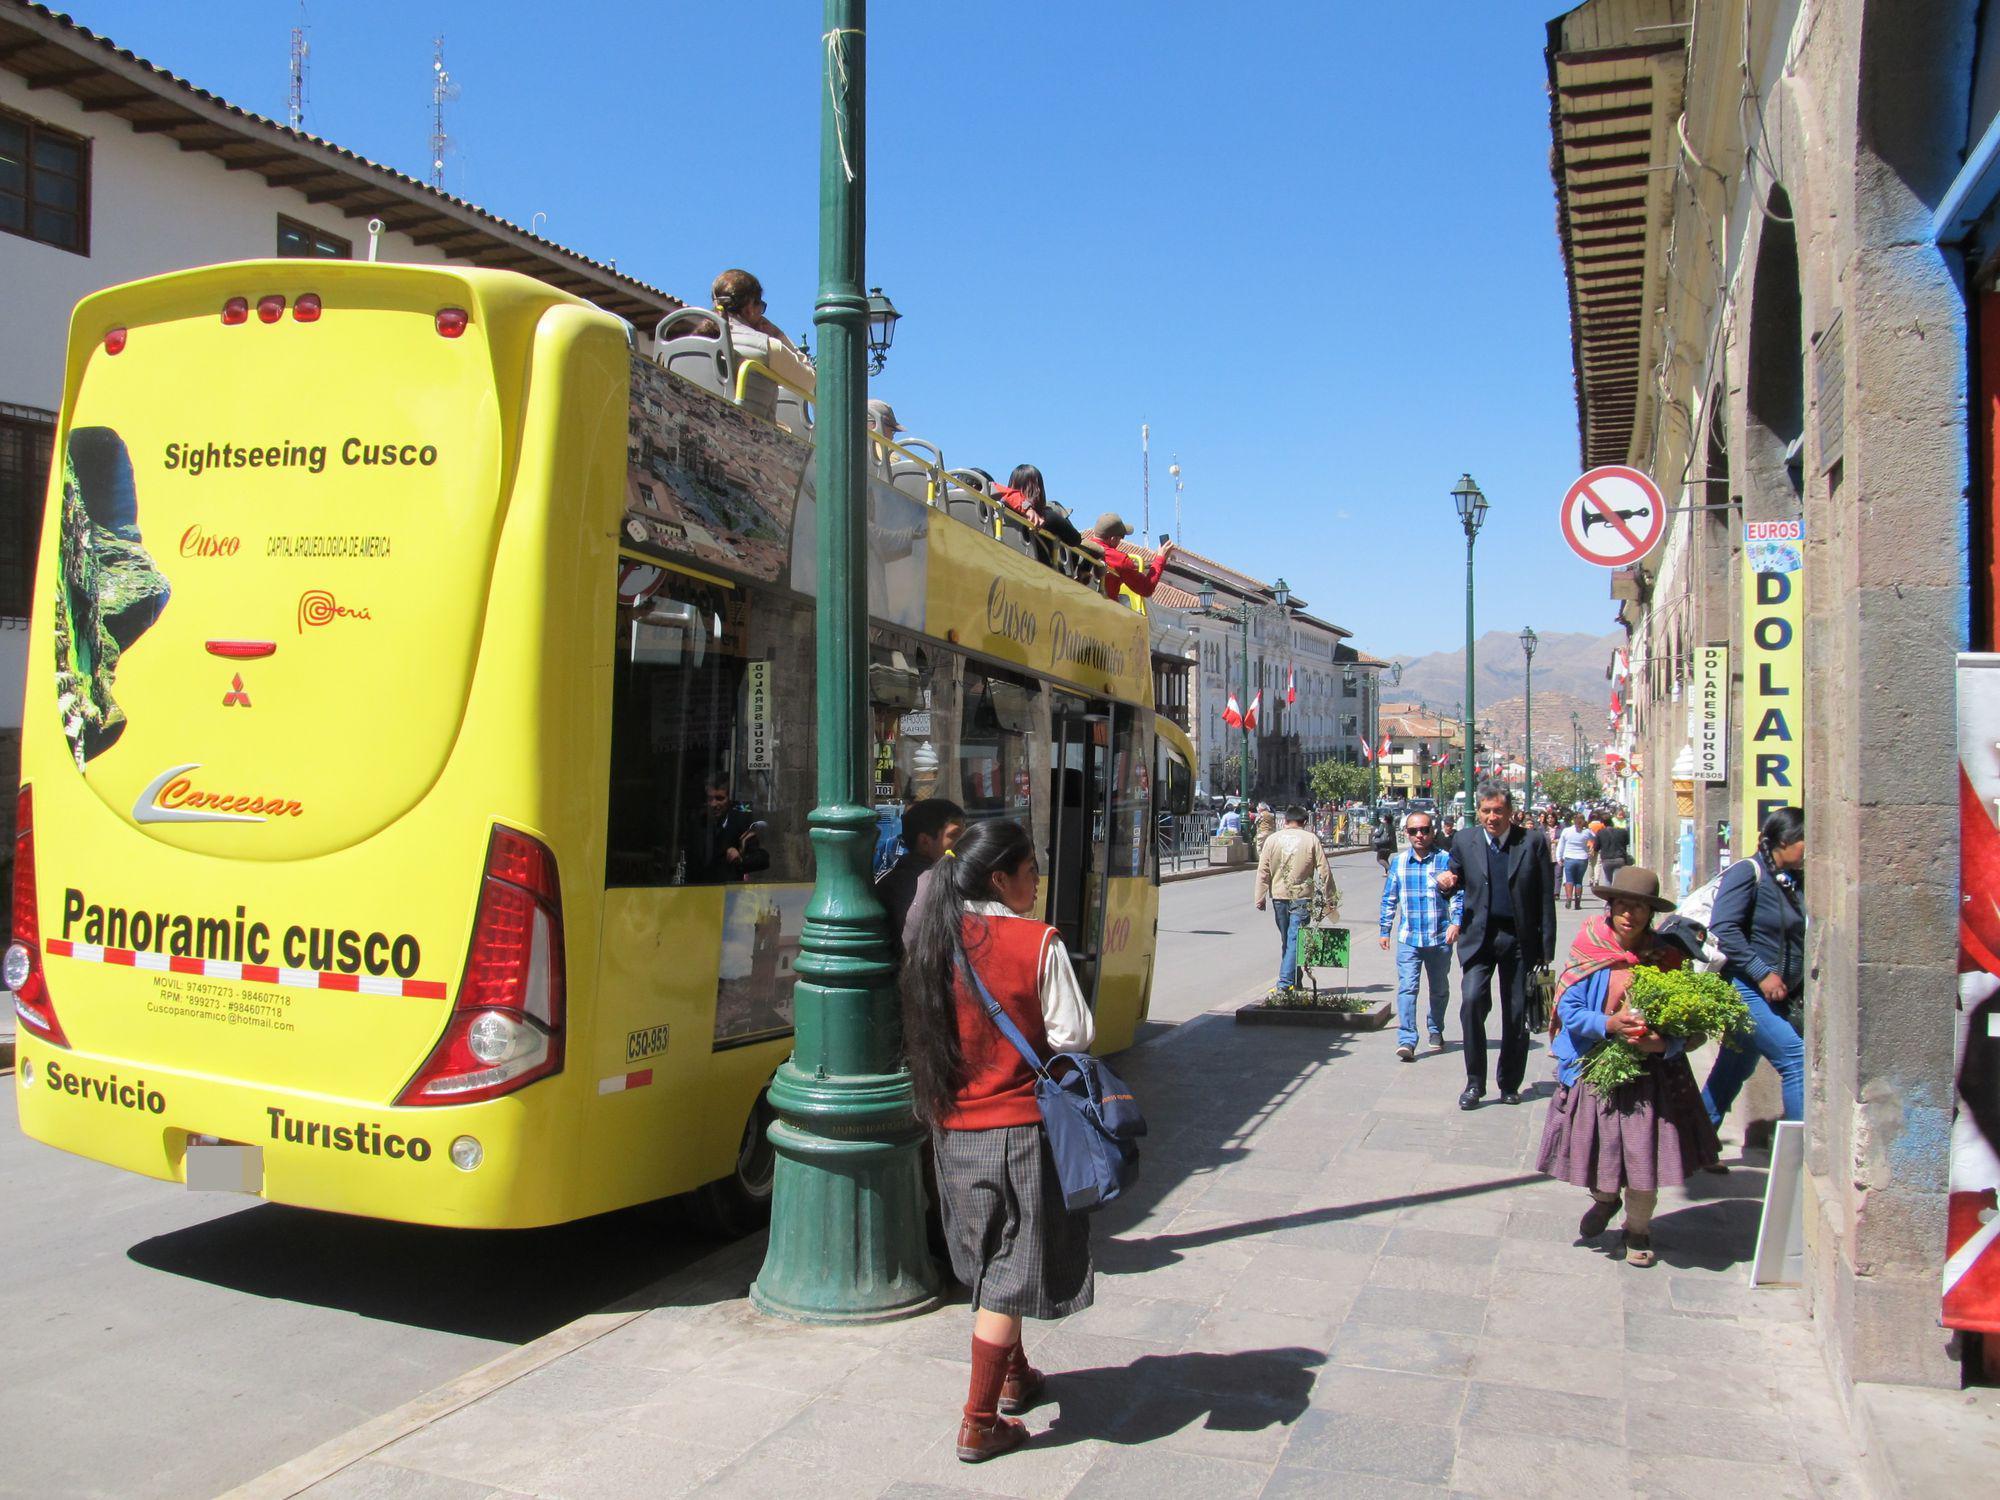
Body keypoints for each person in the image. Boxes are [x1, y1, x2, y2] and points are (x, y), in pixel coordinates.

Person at [899, 819, 1095, 1463]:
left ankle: (1015, 1376)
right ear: (999, 876)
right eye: (1030, 868)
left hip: (952, 1130)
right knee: (1009, 1270)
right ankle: (979, 1420)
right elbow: (1072, 1036)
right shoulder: (1036, 942)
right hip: (1016, 1129)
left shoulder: (934, 939)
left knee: (987, 1258)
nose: (1037, 879)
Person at [1536, 866, 1721, 1268]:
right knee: (1600, 1150)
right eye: (1622, 905)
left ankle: (1638, 1229)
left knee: (1642, 1156)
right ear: (1611, 906)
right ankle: (1604, 1199)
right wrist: (1608, 1024)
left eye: (1639, 907)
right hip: (1598, 1067)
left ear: (1650, 913)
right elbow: (1569, 1008)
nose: (1629, 914)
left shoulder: (1669, 957)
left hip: (1652, 1078)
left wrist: (1665, 1043)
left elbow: (1693, 1027)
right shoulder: (1591, 946)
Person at [1436, 782, 1558, 1109]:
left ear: (1510, 812)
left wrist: (1547, 949)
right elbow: (1455, 876)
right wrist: (1446, 882)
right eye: (1487, 811)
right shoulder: (1465, 840)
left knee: (1517, 1014)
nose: (1492, 817)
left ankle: (1509, 1083)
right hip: (1480, 938)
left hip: (1520, 940)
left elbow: (1546, 896)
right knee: (1472, 1002)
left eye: (1498, 811)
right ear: (1479, 812)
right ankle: (1475, 1083)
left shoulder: (1532, 842)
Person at [1700, 806, 1807, 1127]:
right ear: (1785, 841)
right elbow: (1724, 928)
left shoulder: (1791, 881)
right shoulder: (1748, 872)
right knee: (1795, 1059)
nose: (1810, 849)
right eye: (1805, 840)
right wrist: (1761, 972)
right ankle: (1800, 1162)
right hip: (1743, 987)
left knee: (1734, 1068)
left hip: (1775, 995)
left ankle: (1697, 1142)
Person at [1379, 810, 1463, 1059]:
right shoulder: (1399, 862)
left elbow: (1459, 894)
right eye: (1414, 830)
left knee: (1439, 988)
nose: (1419, 835)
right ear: (1406, 833)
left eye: (1424, 830)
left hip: (1438, 937)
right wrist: (1385, 930)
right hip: (1409, 938)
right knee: (1407, 988)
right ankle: (1407, 1039)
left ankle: (1435, 1028)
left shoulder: (1446, 860)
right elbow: (1389, 897)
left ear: (1432, 832)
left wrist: (1456, 922)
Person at [707, 268, 817, 410]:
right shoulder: (766, 347)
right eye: (761, 305)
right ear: (750, 307)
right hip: (747, 428)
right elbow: (810, 382)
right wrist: (778, 334)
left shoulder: (698, 339)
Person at [1255, 805, 1332, 998]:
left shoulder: (1272, 840)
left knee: (1288, 939)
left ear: (1285, 821)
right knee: (1293, 939)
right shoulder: (1311, 839)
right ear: (1304, 822)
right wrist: (1330, 897)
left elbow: (1263, 870)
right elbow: (1324, 870)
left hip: (1279, 896)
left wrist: (1260, 896)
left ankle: (1290, 981)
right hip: (1302, 896)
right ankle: (1288, 983)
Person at [876, 798, 966, 961]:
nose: (964, 844)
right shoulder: (946, 882)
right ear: (924, 841)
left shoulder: (887, 879)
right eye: (954, 836)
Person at [992, 464, 1085, 567]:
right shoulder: (1048, 517)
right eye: (1037, 486)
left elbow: (991, 486)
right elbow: (1075, 539)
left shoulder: (998, 510)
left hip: (1003, 562)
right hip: (1038, 571)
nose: (1039, 490)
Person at [687, 773, 770, 883]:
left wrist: (740, 859)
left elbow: (762, 859)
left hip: (729, 891)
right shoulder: (698, 823)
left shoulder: (739, 823)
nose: (713, 804)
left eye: (719, 798)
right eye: (710, 799)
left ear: (729, 800)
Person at [1084, 513, 1175, 600]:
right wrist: (1161, 557)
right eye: (1121, 537)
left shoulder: (1080, 547)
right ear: (1113, 539)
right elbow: (1146, 589)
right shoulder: (1120, 560)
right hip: (1106, 612)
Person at [1554, 810, 1594, 910]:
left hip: (1569, 858)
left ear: (1573, 821)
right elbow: (1595, 837)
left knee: (1569, 880)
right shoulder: (1586, 832)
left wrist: (1559, 857)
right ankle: (1577, 902)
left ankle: (1568, 899)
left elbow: (1561, 845)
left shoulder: (1566, 831)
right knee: (1578, 881)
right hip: (1582, 858)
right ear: (1583, 821)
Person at [1593, 809, 1631, 894]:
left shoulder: (1600, 833)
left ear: (1603, 823)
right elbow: (1627, 842)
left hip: (1606, 859)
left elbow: (1596, 848)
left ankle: (1608, 901)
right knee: (1618, 881)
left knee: (1608, 880)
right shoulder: (1622, 832)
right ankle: (1616, 900)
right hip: (1619, 858)